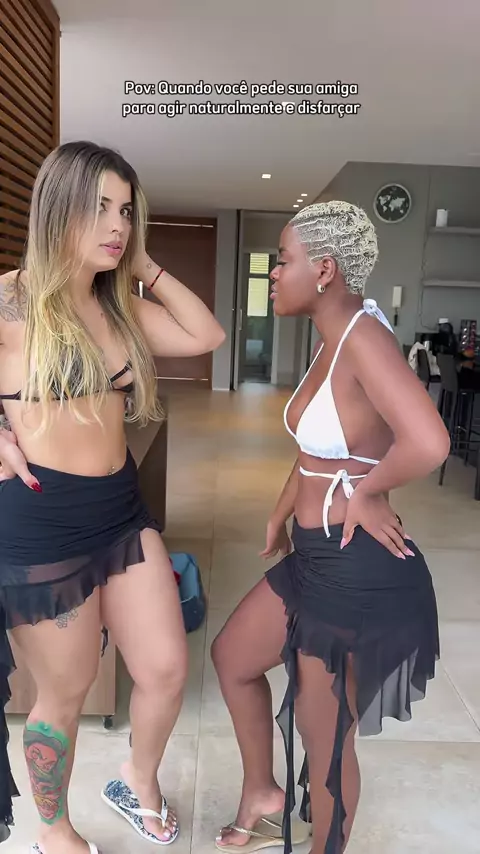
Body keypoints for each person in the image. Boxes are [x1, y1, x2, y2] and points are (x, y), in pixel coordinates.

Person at [0, 140, 225, 854]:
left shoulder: (118, 303)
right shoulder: (8, 303)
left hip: (121, 513)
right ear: (57, 207)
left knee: (165, 667)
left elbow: (207, 334)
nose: (118, 224)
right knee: (64, 694)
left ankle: (136, 778)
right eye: (99, 207)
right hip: (42, 524)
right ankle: (53, 830)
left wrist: (145, 265)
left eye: (126, 210)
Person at [211, 201, 450, 854]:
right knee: (233, 658)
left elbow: (429, 441)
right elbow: (321, 448)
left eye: (282, 261)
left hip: (354, 569)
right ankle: (263, 794)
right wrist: (282, 507)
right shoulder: (332, 332)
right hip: (314, 557)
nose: (273, 273)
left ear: (323, 270)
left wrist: (369, 490)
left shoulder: (363, 337)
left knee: (325, 736)